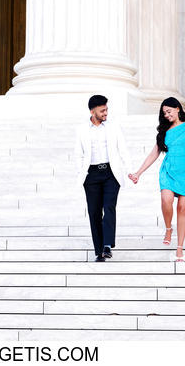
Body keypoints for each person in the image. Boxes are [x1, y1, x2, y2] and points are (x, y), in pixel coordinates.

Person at [128, 97, 185, 262]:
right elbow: (154, 153)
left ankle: (179, 249)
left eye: (169, 111)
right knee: (166, 200)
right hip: (168, 171)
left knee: (182, 208)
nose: (166, 115)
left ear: (178, 108)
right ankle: (168, 228)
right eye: (164, 113)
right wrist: (138, 172)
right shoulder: (165, 132)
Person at [75, 94, 134, 262]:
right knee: (94, 213)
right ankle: (98, 252)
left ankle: (107, 244)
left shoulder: (113, 127)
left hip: (110, 173)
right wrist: (82, 174)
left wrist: (129, 170)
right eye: (102, 110)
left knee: (109, 207)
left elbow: (123, 149)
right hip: (91, 175)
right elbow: (78, 154)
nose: (106, 113)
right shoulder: (81, 130)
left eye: (107, 109)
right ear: (92, 111)